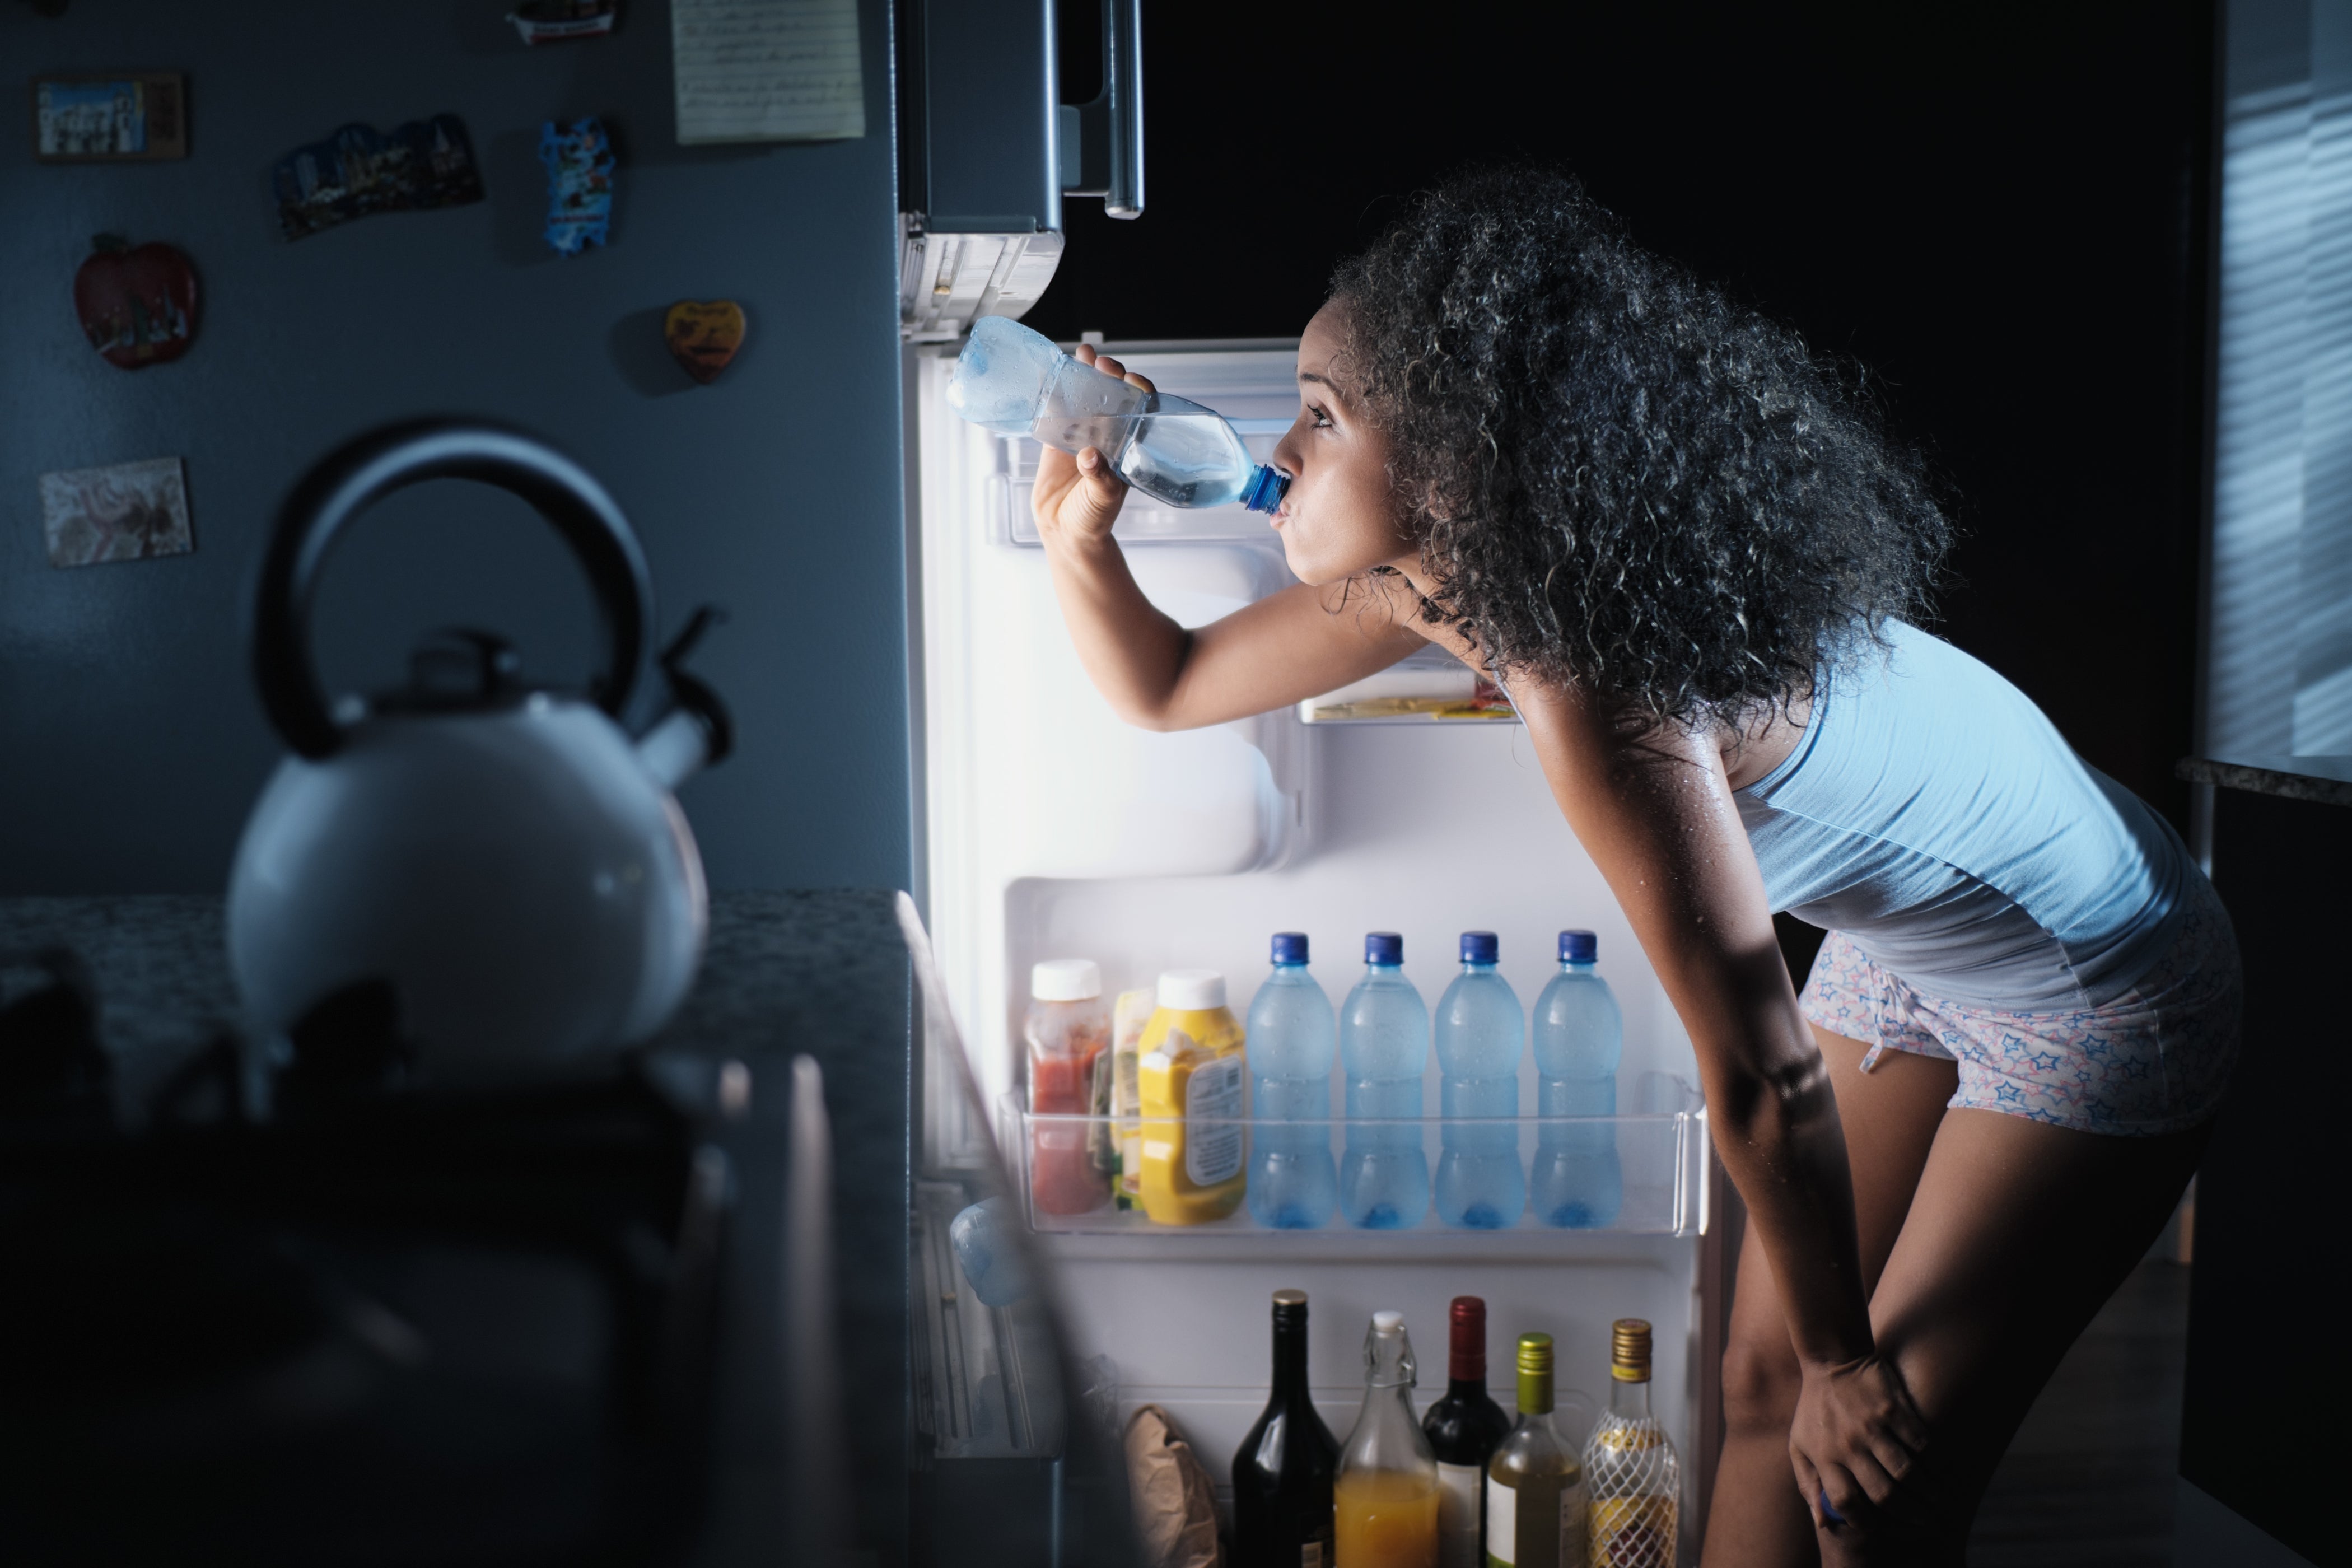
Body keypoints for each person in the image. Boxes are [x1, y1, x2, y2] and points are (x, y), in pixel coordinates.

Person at [1028, 169, 2238, 1566]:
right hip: (1924, 943)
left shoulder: (1600, 681)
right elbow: (1171, 683)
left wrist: (1851, 1363)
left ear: (1458, 469)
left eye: (1323, 416)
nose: (1279, 449)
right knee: (1762, 1386)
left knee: (1876, 1466)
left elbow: (1766, 1073)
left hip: (2102, 980)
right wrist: (1079, 541)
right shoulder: (1456, 577)